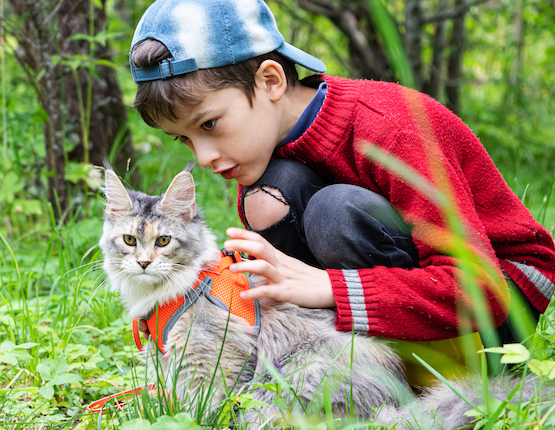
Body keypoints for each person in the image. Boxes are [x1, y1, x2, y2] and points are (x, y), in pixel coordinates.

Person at [129, 0, 555, 384]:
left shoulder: (389, 127)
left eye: (209, 125)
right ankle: (350, 365)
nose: (203, 156)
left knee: (335, 212)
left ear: (271, 80)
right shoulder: (268, 163)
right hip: (412, 287)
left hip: (499, 300)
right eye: (183, 139)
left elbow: (482, 288)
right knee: (271, 195)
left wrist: (330, 287)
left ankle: (431, 372)